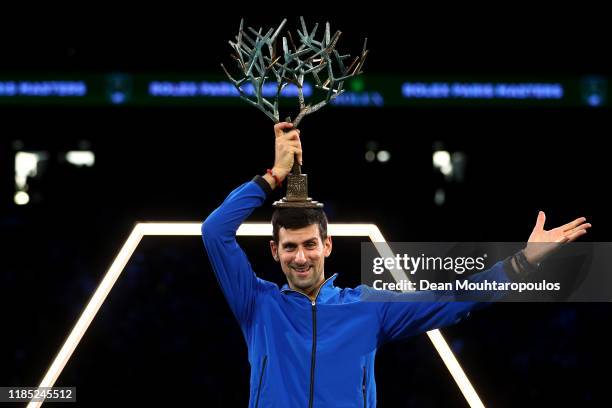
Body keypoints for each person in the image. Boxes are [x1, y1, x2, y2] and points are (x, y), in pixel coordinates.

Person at [202, 122, 591, 407]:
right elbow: (215, 230)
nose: (300, 257)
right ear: (274, 251)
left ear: (328, 245)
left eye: (309, 245)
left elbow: (455, 299)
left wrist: (524, 260)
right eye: (290, 248)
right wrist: (273, 176)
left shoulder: (369, 307)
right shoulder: (257, 304)